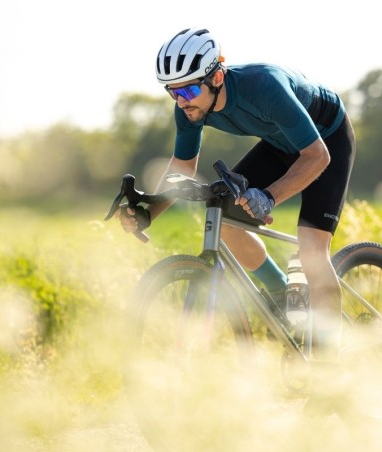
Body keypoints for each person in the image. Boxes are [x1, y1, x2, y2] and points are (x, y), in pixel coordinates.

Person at [119, 27, 356, 362]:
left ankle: (330, 364)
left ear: (216, 76)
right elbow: (182, 168)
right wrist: (148, 212)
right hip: (279, 145)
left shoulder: (264, 87)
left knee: (312, 252)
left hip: (325, 141)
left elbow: (317, 157)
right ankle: (280, 296)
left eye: (188, 89)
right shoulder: (188, 109)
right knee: (227, 222)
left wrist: (269, 197)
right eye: (172, 92)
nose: (182, 100)